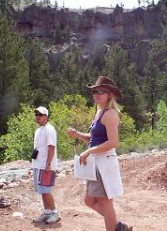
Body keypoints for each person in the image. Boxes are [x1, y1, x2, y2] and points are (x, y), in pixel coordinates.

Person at [66, 76, 132, 231]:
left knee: (104, 203)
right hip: (96, 163)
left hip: (104, 163)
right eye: (95, 91)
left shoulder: (110, 114)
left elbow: (112, 142)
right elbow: (94, 139)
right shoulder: (99, 113)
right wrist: (78, 134)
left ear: (109, 95)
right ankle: (117, 225)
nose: (97, 94)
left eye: (101, 91)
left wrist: (89, 151)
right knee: (89, 201)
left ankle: (115, 225)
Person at [30, 106, 61, 224]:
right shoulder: (38, 130)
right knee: (42, 190)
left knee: (46, 190)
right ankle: (47, 212)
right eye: (36, 114)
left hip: (46, 165)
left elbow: (51, 147)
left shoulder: (50, 129)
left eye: (40, 115)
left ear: (46, 117)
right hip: (38, 165)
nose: (38, 117)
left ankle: (55, 213)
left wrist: (48, 164)